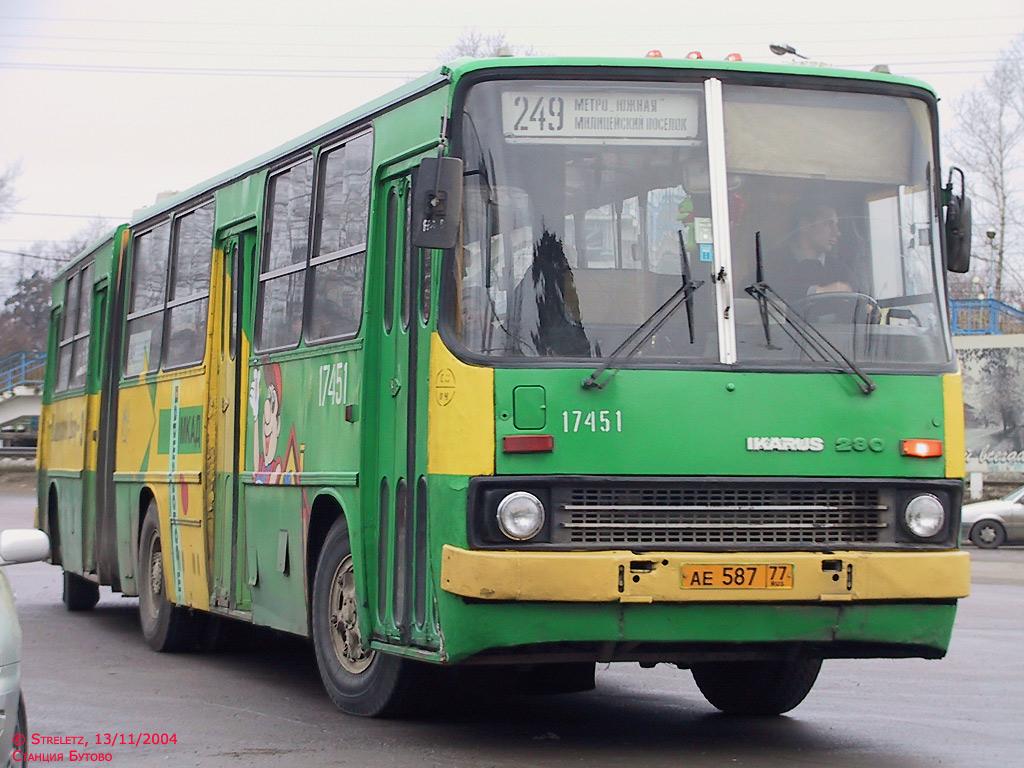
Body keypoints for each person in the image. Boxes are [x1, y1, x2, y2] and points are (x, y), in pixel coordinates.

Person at [772, 202, 853, 303]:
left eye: (836, 225)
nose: (837, 232)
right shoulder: (774, 263)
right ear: (804, 225)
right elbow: (768, 293)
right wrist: (820, 291)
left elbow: (860, 300)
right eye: (829, 224)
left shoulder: (838, 267)